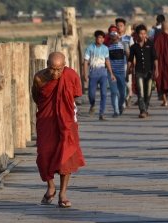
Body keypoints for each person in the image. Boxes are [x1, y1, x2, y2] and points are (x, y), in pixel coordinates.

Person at [31, 52, 85, 208]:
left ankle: (63, 193)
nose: (55, 73)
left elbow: (73, 96)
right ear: (47, 65)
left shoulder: (71, 75)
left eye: (59, 69)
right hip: (46, 119)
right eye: (52, 69)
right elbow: (36, 97)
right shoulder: (39, 78)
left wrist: (65, 111)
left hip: (66, 120)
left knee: (66, 155)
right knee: (44, 153)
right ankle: (50, 186)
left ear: (65, 65)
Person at [128, 24, 159, 118]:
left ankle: (145, 108)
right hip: (138, 72)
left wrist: (156, 69)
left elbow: (155, 58)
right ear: (137, 35)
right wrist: (129, 69)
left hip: (149, 71)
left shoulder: (150, 44)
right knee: (140, 92)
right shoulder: (134, 47)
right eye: (141, 33)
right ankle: (143, 111)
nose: (143, 35)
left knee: (148, 92)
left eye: (144, 33)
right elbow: (130, 59)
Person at [84, 30, 116, 120]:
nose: (101, 39)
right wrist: (85, 74)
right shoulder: (90, 48)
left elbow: (107, 61)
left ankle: (101, 114)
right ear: (96, 38)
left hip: (103, 73)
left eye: (102, 38)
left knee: (104, 94)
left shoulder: (105, 48)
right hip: (93, 73)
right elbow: (86, 62)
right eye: (99, 37)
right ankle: (92, 104)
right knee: (91, 94)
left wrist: (111, 73)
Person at [107, 26, 127, 117]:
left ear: (118, 34)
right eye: (111, 34)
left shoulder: (123, 45)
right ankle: (116, 111)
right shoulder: (107, 47)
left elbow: (129, 55)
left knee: (123, 93)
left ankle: (120, 105)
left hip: (122, 72)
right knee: (114, 92)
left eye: (115, 33)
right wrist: (110, 72)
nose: (113, 36)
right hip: (112, 73)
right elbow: (106, 61)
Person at [115, 18, 134, 109]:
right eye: (117, 26)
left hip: (127, 64)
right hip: (116, 65)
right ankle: (122, 103)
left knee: (127, 84)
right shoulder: (113, 38)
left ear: (124, 27)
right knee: (119, 84)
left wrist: (132, 63)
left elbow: (133, 52)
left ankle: (128, 97)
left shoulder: (129, 38)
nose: (119, 28)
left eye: (121, 26)